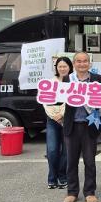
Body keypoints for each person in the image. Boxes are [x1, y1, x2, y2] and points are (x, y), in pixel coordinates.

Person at [63, 52, 101, 202]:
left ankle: (89, 192)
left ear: (90, 63)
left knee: (90, 161)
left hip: (90, 125)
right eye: (79, 61)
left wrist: (99, 119)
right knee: (71, 161)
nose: (82, 64)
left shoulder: (99, 80)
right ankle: (72, 192)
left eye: (85, 61)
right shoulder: (67, 79)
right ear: (74, 64)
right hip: (72, 125)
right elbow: (59, 100)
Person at [43, 56, 71, 190]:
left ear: (70, 67)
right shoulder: (50, 82)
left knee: (66, 151)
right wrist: (54, 116)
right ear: (56, 68)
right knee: (52, 150)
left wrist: (62, 114)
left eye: (65, 66)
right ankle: (52, 178)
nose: (62, 68)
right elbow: (45, 101)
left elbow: (71, 101)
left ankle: (62, 177)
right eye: (60, 66)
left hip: (68, 119)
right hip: (52, 120)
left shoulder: (73, 82)